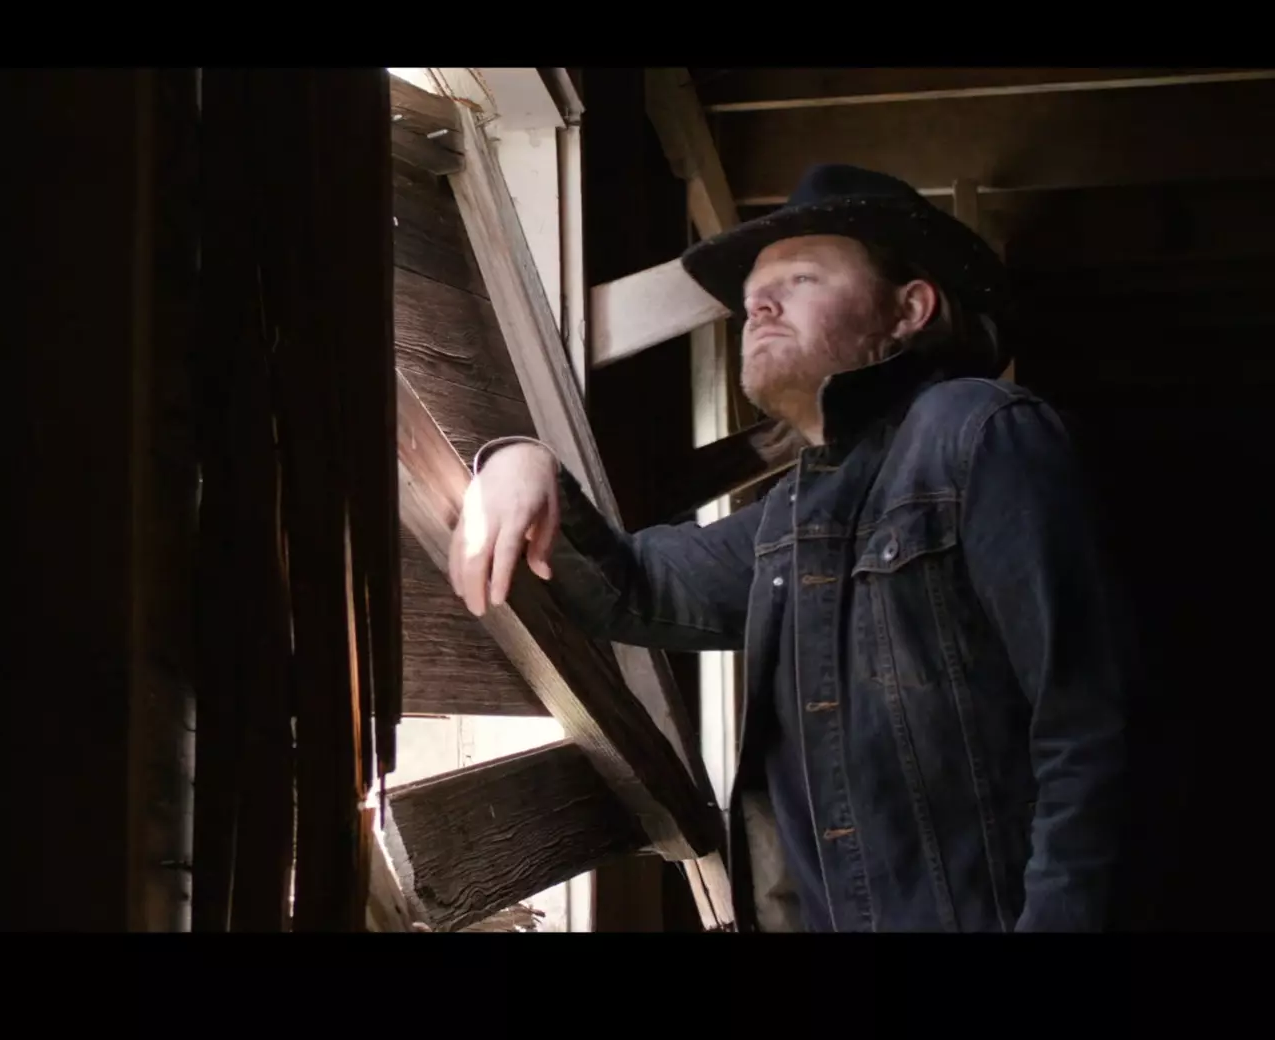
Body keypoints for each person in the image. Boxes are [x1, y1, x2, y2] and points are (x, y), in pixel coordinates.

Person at [447, 164, 1133, 932]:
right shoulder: (795, 512)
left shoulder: (977, 430)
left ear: (909, 309)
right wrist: (524, 461)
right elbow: (633, 589)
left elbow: (1089, 726)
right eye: (751, 298)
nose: (759, 305)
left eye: (801, 279)